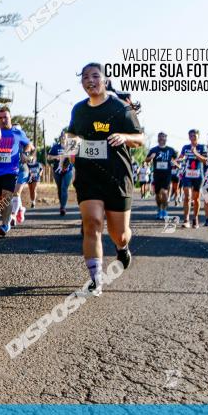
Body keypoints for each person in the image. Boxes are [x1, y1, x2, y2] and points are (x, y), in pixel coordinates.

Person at [65, 63, 144, 296]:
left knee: (119, 233)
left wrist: (124, 136)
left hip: (117, 177)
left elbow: (140, 138)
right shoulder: (79, 110)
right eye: (86, 77)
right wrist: (70, 150)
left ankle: (122, 247)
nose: (90, 80)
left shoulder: (120, 108)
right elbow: (71, 134)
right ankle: (96, 279)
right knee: (92, 223)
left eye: (95, 76)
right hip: (89, 176)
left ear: (105, 80)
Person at [0, 107, 34, 236]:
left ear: (10, 117)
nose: (3, 120)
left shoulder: (17, 133)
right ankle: (6, 219)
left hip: (11, 170)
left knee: (7, 196)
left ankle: (5, 225)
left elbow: (29, 144)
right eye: (0, 118)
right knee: (0, 200)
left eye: (5, 117)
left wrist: (25, 153)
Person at [178, 129, 208, 228]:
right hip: (187, 175)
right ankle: (186, 220)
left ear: (198, 136)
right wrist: (178, 160)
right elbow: (181, 157)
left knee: (196, 199)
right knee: (187, 197)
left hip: (198, 176)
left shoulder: (202, 147)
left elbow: (205, 161)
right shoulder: (185, 147)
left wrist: (195, 153)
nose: (192, 137)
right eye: (191, 136)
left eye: (194, 135)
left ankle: (195, 218)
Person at [144, 132, 177, 220]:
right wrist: (150, 157)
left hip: (167, 174)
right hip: (157, 175)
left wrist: (176, 163)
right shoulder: (154, 149)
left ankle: (164, 210)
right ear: (158, 139)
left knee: (164, 192)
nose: (162, 139)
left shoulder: (171, 150)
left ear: (166, 139)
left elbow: (176, 160)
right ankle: (159, 209)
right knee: (158, 194)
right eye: (160, 137)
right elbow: (146, 160)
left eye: (163, 137)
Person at [47, 131, 74, 215]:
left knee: (64, 188)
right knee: (59, 188)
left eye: (65, 136)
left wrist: (68, 158)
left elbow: (74, 158)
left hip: (68, 171)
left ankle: (63, 207)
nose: (63, 138)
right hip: (57, 171)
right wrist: (56, 157)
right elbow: (49, 157)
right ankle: (61, 205)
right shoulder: (55, 147)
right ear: (60, 138)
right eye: (62, 136)